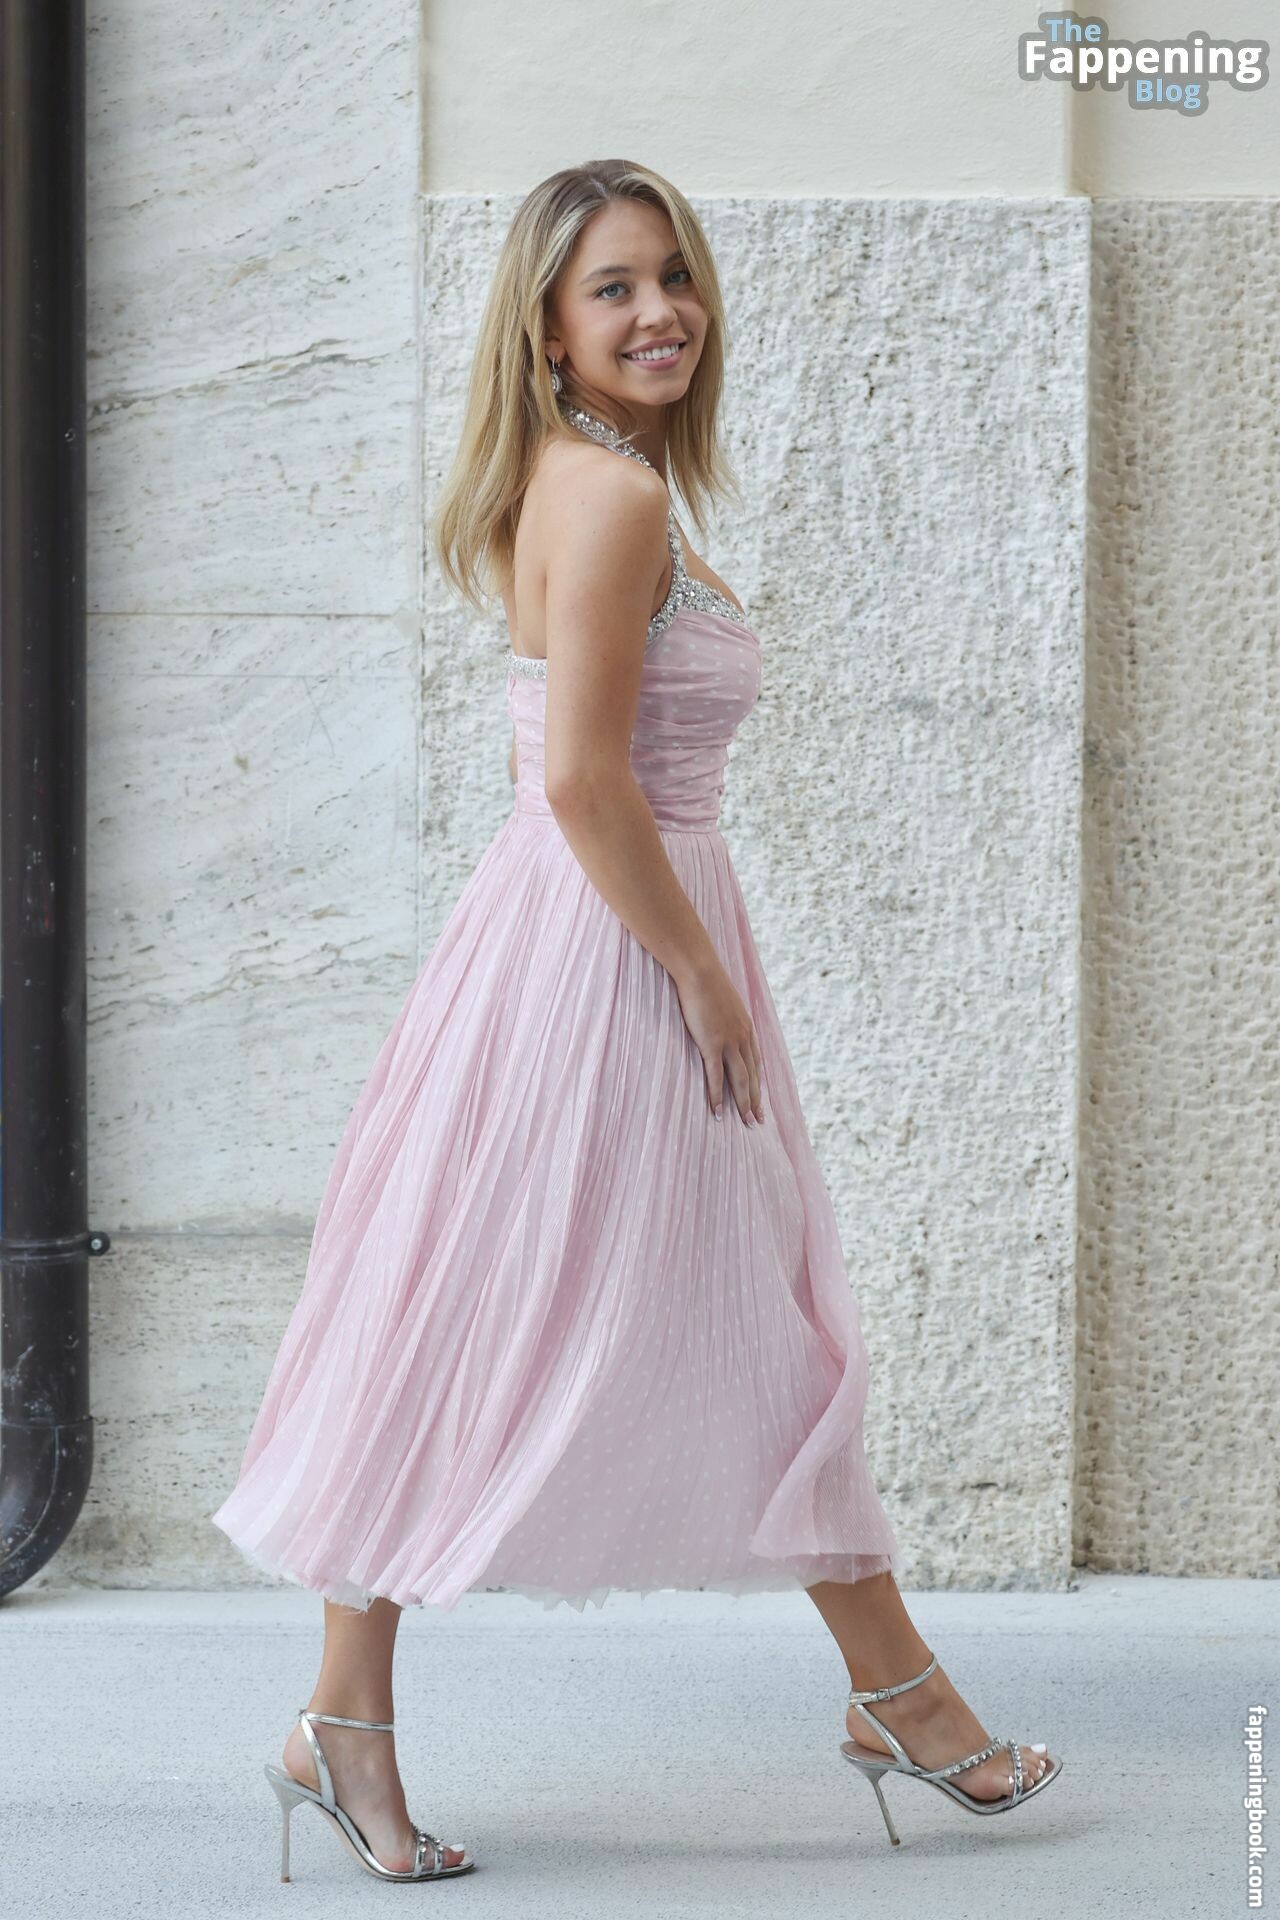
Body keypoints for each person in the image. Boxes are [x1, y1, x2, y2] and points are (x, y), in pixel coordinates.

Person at [211, 156, 1060, 1884]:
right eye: (614, 286)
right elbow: (588, 782)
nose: (662, 309)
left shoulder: (590, 481)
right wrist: (699, 972)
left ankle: (358, 1721)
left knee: (510, 1312)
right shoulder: (605, 498)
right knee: (655, 1322)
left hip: (583, 942)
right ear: (547, 327)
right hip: (611, 960)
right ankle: (893, 1701)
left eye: (674, 275)